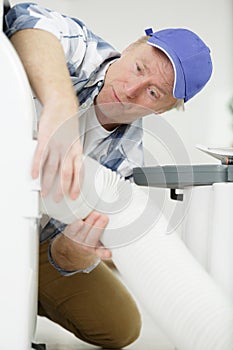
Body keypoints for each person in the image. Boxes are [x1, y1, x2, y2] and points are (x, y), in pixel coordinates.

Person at [4, 2, 213, 349]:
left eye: (153, 92)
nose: (130, 89)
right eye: (139, 67)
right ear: (131, 47)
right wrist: (60, 102)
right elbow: (24, 18)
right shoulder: (84, 51)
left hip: (32, 235)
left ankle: (17, 294)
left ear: (164, 110)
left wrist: (75, 249)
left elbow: (62, 252)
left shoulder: (123, 162)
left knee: (121, 325)